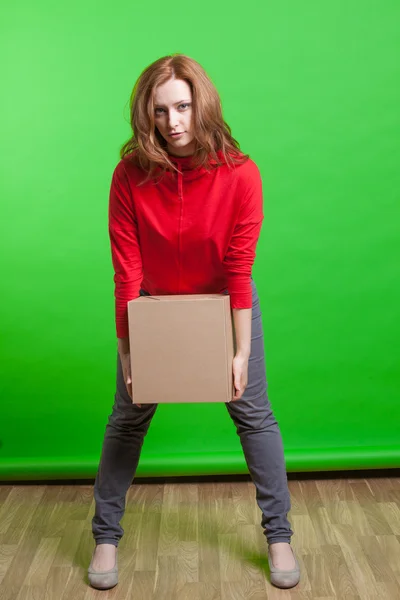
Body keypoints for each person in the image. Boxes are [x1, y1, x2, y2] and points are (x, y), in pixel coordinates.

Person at [88, 54, 300, 591]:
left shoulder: (241, 174)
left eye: (183, 106)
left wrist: (239, 350)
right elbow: (126, 273)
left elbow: (239, 267)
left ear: (202, 104)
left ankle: (279, 538)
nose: (174, 122)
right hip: (153, 311)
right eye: (161, 111)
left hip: (223, 307)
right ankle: (105, 538)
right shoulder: (129, 176)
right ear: (147, 115)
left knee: (254, 417)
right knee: (127, 419)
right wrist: (128, 352)